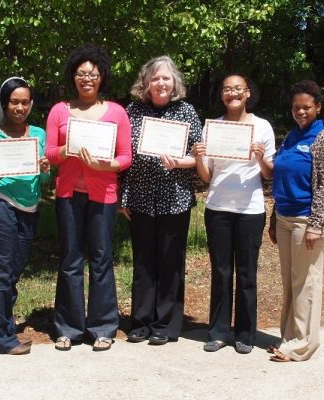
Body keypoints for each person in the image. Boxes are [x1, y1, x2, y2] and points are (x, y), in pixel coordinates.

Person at [45, 44, 132, 352]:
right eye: (81, 74)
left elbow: (125, 157)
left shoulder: (116, 113)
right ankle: (67, 328)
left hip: (103, 195)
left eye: (92, 74)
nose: (86, 79)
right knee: (70, 260)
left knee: (101, 259)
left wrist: (105, 165)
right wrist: (66, 150)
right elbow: (49, 154)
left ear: (101, 77)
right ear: (73, 77)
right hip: (68, 195)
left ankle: (103, 327)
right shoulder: (59, 111)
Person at [120, 56, 202, 345]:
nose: (161, 83)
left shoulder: (187, 111)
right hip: (140, 197)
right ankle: (141, 322)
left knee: (170, 262)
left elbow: (200, 157)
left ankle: (165, 324)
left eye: (166, 78)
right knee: (143, 262)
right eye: (155, 78)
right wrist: (122, 195)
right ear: (146, 83)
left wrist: (180, 163)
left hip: (174, 198)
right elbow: (123, 156)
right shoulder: (133, 110)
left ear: (174, 82)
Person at [192, 73, 275, 353]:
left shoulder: (262, 127)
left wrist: (262, 156)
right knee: (221, 272)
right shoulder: (213, 127)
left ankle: (245, 334)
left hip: (250, 209)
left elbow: (268, 174)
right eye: (227, 89)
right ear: (222, 95)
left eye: (238, 88)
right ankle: (218, 332)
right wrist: (199, 157)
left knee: (247, 273)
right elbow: (206, 177)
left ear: (248, 92)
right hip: (217, 208)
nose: (233, 94)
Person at [0, 77, 50, 355]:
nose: (19, 107)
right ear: (4, 104)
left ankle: (5, 327)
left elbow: (43, 178)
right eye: (14, 102)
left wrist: (45, 168)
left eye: (24, 102)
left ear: (30, 104)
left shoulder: (39, 135)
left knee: (13, 273)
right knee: (2, 272)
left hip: (29, 208)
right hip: (1, 206)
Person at [267, 80, 324, 362]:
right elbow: (281, 178)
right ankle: (288, 338)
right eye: (296, 107)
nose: (301, 112)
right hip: (285, 218)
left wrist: (316, 225)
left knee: (306, 283)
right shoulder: (291, 137)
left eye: (306, 107)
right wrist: (274, 218)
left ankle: (301, 345)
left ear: (318, 107)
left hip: (306, 220)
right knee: (290, 281)